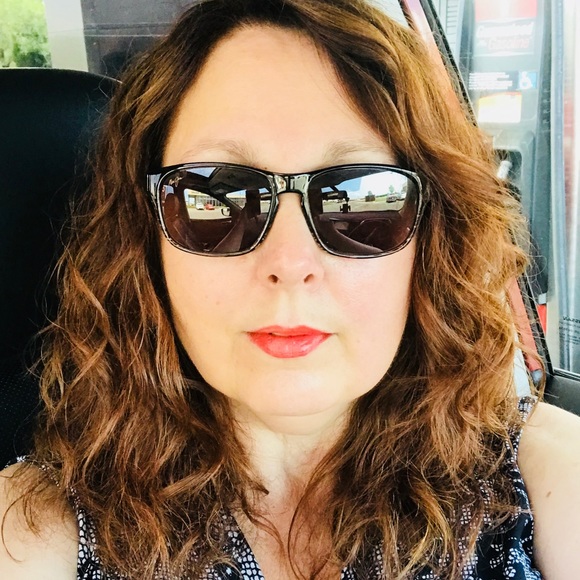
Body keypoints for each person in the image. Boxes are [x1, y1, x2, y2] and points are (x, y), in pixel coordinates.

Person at [1, 0, 579, 578]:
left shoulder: (546, 480)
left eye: (359, 199)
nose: (290, 263)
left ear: (431, 243)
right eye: (218, 198)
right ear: (147, 242)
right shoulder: (32, 529)